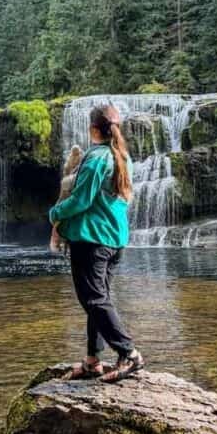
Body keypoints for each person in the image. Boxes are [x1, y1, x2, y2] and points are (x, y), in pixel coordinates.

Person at [49, 104, 145, 382]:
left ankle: (130, 354)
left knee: (93, 299)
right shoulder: (122, 157)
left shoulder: (95, 159)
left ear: (92, 128)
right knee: (99, 300)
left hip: (92, 240)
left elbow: (80, 201)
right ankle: (93, 360)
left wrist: (54, 214)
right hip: (115, 240)